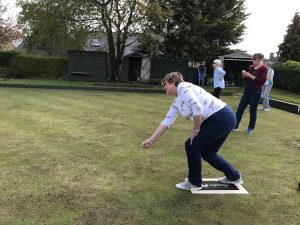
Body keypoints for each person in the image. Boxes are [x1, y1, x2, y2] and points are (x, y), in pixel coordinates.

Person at [141, 72, 242, 191]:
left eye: (166, 84)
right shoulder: (177, 101)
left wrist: (196, 130)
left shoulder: (183, 87)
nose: (164, 87)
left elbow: (197, 107)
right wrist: (151, 140)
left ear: (173, 82)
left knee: (191, 145)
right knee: (208, 153)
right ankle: (233, 176)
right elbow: (166, 122)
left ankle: (194, 183)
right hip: (224, 118)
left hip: (220, 117)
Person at [233, 53, 267, 135]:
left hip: (256, 92)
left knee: (252, 111)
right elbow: (247, 79)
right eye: (252, 58)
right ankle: (235, 126)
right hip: (247, 90)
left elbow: (262, 81)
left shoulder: (264, 68)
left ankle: (250, 128)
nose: (252, 60)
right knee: (240, 108)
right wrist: (244, 75)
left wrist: (250, 76)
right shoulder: (251, 67)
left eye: (254, 59)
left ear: (260, 59)